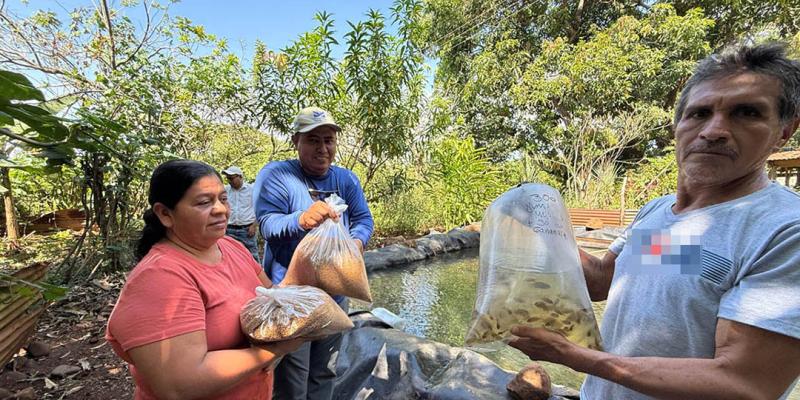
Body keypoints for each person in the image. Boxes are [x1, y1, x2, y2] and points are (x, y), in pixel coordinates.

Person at [510, 42, 800, 400]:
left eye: (746, 113)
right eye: (699, 113)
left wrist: (575, 356)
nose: (714, 130)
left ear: (784, 131)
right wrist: (542, 228)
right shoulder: (658, 212)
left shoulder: (785, 230)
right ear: (677, 126)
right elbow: (604, 280)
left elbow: (745, 383)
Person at [106, 160, 304, 400]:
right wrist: (273, 350)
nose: (220, 209)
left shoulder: (231, 246)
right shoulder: (160, 279)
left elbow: (271, 297)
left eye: (223, 199)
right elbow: (180, 384)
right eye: (204, 202)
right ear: (165, 214)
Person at [253, 106, 374, 400]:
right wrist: (301, 219)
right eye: (313, 140)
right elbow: (267, 225)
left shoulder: (346, 180)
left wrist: (354, 244)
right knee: (292, 376)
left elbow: (363, 219)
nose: (323, 149)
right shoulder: (277, 175)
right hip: (291, 296)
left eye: (329, 140)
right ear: (296, 141)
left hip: (334, 296)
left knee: (325, 371)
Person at [221, 165, 260, 262]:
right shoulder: (225, 191)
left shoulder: (252, 190)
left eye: (232, 178)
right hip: (229, 229)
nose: (230, 181)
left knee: (252, 256)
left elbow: (260, 208)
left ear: (240, 177)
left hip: (247, 230)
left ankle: (257, 276)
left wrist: (254, 225)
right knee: (230, 256)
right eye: (228, 178)